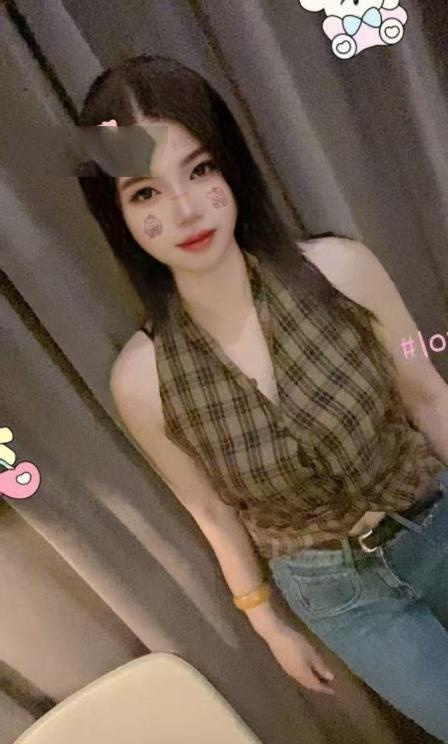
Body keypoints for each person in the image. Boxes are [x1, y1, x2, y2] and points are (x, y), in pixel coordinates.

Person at [76, 54, 448, 742]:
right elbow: (212, 511)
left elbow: (428, 395)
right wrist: (268, 625)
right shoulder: (141, 380)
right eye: (145, 192)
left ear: (231, 167)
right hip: (341, 597)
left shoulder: (343, 270)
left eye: (199, 170)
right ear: (116, 213)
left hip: (437, 521)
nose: (185, 209)